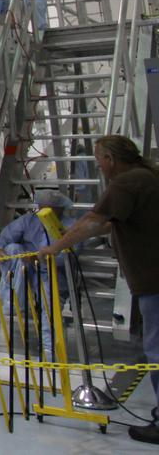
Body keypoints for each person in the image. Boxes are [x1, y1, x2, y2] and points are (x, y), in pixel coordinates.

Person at [38, 135, 159, 444]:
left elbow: (93, 220)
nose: (98, 165)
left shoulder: (125, 183)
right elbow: (112, 222)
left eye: (99, 160)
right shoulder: (145, 177)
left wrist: (55, 247)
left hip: (153, 281)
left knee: (157, 350)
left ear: (111, 159)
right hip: (151, 278)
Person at [0, 189, 72, 354]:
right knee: (12, 248)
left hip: (52, 275)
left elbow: (67, 258)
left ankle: (50, 350)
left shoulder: (70, 226)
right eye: (41, 208)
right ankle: (12, 301)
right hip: (26, 272)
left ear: (60, 209)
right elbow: (3, 239)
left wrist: (40, 259)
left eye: (49, 209)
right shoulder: (29, 221)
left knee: (49, 308)